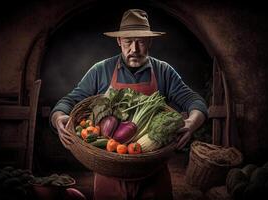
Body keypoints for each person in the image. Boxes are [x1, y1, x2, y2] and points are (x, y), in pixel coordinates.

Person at [50, 9, 208, 200]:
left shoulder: (163, 71)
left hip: (153, 173)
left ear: (150, 41)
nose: (134, 49)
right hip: (109, 171)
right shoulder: (101, 70)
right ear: (119, 41)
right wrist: (58, 118)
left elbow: (195, 101)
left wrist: (191, 124)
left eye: (140, 41)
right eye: (128, 41)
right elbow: (69, 101)